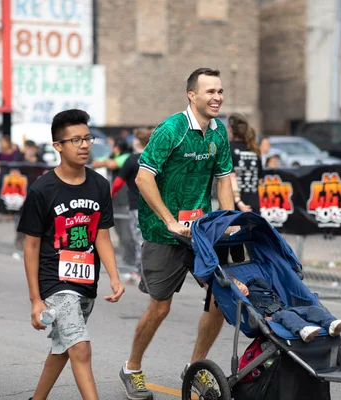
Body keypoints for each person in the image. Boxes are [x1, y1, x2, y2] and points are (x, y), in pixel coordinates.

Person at [119, 67, 235, 400]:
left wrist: (227, 221)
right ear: (192, 95)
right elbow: (143, 178)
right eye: (210, 91)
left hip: (201, 232)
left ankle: (195, 367)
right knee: (160, 308)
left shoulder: (218, 132)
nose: (217, 97)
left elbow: (224, 177)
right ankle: (132, 368)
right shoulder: (171, 130)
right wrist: (169, 220)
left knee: (220, 301)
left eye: (220, 91)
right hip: (163, 232)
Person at [17, 109, 125, 400]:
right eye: (75, 140)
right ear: (58, 146)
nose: (84, 145)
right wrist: (36, 299)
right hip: (54, 281)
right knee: (80, 347)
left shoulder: (100, 185)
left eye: (87, 138)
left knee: (65, 346)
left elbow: (101, 235)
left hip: (86, 280)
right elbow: (32, 245)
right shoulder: (42, 189)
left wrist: (114, 277)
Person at [230, 275, 341, 342]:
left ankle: (331, 324)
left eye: (239, 284)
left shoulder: (256, 286)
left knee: (312, 309)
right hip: (272, 317)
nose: (241, 288)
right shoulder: (245, 302)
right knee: (287, 316)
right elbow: (253, 316)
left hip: (285, 308)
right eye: (237, 289)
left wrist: (252, 283)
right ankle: (303, 330)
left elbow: (264, 284)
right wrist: (264, 320)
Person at [110, 128, 153, 283]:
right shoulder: (154, 157)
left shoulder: (132, 159)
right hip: (155, 205)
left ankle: (141, 271)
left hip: (136, 206)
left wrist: (110, 195)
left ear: (136, 142)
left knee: (138, 240)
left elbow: (118, 182)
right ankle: (150, 270)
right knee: (151, 239)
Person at [92, 137, 137, 267]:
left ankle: (132, 261)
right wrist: (106, 161)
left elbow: (112, 164)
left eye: (112, 145)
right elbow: (96, 163)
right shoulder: (112, 156)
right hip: (115, 201)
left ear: (117, 147)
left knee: (127, 234)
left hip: (124, 200)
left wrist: (106, 161)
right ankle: (126, 260)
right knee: (119, 232)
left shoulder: (127, 157)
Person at [228, 113, 262, 213]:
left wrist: (238, 201)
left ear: (230, 129)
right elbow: (260, 180)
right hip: (254, 204)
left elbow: (231, 176)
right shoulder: (254, 148)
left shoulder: (229, 148)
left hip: (236, 204)